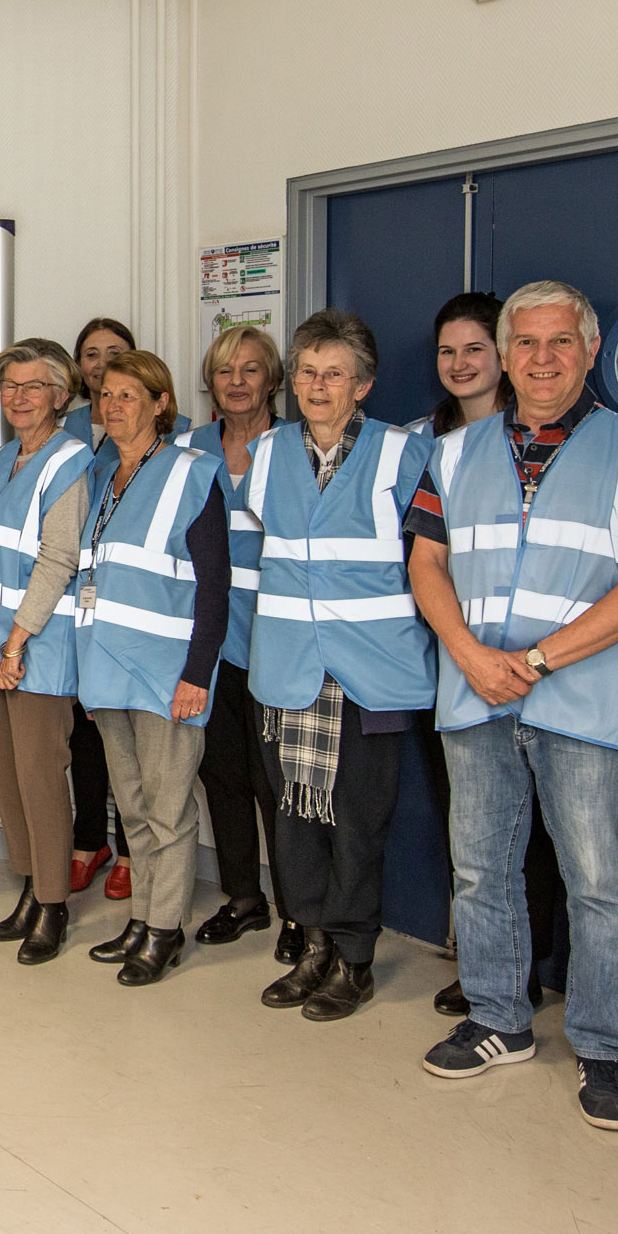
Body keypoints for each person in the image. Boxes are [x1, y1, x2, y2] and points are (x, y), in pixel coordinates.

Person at [407, 281, 618, 1130]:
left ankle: (603, 1049)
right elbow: (426, 566)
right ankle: (498, 1020)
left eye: (560, 342)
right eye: (525, 343)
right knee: (481, 869)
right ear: (504, 353)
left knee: (597, 884)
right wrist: (470, 657)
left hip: (585, 703)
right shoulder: (454, 453)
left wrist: (528, 661)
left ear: (591, 349)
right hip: (474, 696)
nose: (542, 359)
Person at [241, 309, 435, 1022]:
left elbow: (432, 565)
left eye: (334, 374)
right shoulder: (267, 454)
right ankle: (313, 940)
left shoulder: (402, 454)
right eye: (308, 372)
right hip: (288, 666)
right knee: (293, 819)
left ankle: (354, 959)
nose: (317, 387)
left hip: (372, 673)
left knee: (357, 821)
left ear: (363, 385)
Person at [412, 293, 561, 1019]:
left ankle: (523, 970)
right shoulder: (429, 444)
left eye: (475, 348)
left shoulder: (550, 442)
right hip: (457, 667)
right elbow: (422, 561)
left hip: (548, 672)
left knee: (535, 838)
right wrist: (464, 652)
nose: (461, 364)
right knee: (474, 832)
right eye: (448, 351)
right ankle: (485, 964)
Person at [76, 352, 228, 985]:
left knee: (168, 808)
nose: (113, 405)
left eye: (129, 395)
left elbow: (214, 586)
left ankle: (165, 928)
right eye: (106, 395)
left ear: (161, 402)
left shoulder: (193, 474)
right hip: (107, 670)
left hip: (167, 675)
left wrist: (197, 674)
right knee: (132, 808)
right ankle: (140, 919)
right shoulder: (107, 474)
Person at [0, 343, 90, 963]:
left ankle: (54, 903)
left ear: (62, 396)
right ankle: (27, 890)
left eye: (33, 387)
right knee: (9, 777)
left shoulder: (70, 461)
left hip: (34, 647)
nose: (17, 397)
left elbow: (58, 560)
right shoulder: (2, 460)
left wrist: (16, 642)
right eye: (9, 386)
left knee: (42, 780)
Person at [184, 325, 301, 963]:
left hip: (277, 643)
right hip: (208, 643)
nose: (237, 382)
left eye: (251, 370)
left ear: (273, 381)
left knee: (277, 784)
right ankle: (243, 897)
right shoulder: (189, 449)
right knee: (220, 773)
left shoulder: (297, 447)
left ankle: (295, 909)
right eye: (226, 371)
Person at [66, 319, 137, 895]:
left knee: (129, 736)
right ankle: (89, 840)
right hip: (73, 605)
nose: (100, 364)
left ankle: (133, 851)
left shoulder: (175, 432)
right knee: (82, 736)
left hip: (134, 608)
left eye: (114, 354)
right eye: (91, 354)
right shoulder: (61, 429)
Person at [70, 317, 135, 448]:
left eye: (114, 353)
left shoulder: (164, 428)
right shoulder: (64, 426)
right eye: (91, 355)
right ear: (78, 364)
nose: (103, 364)